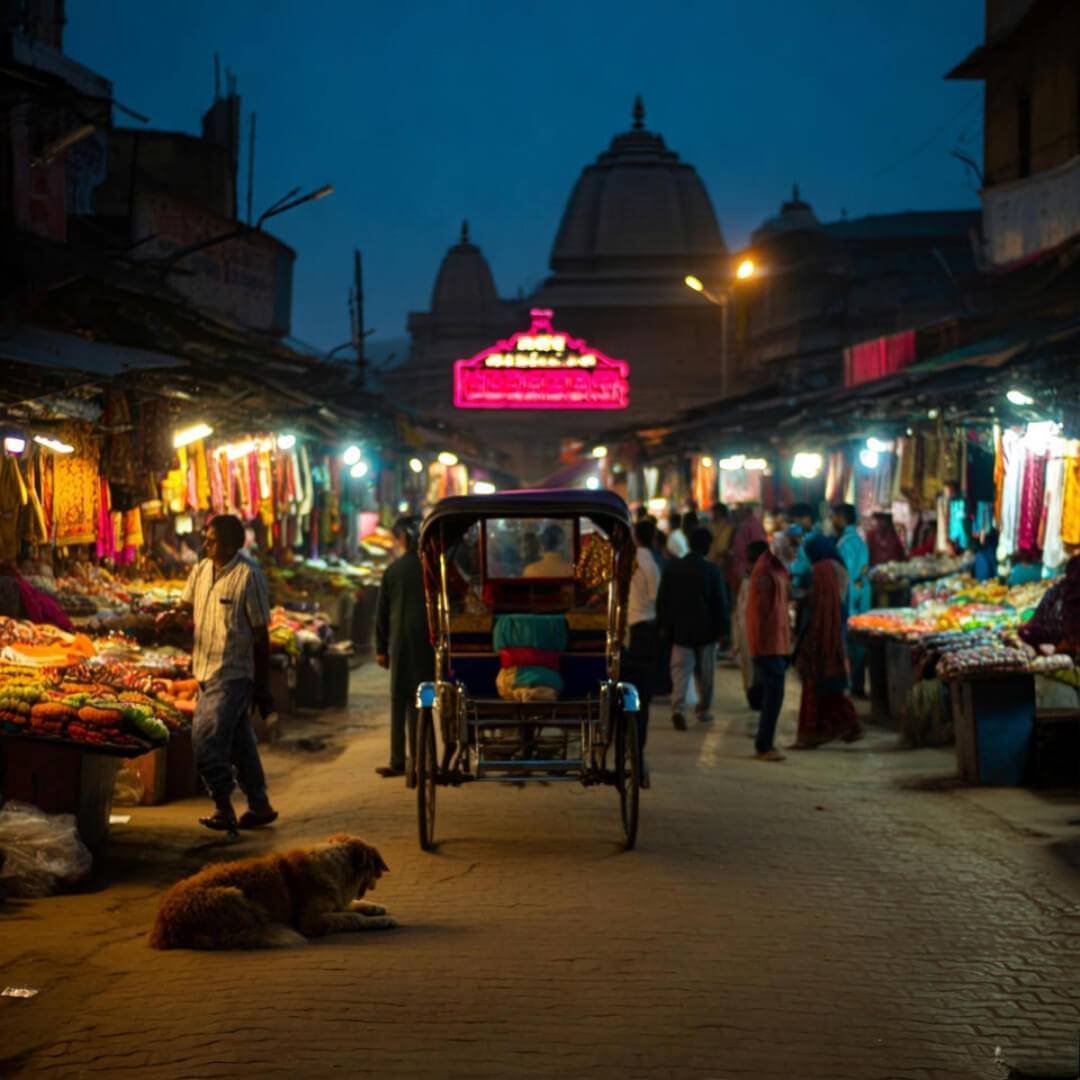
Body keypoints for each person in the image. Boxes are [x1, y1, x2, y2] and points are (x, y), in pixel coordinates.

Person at [171, 514, 277, 832]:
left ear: (231, 544)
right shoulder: (202, 569)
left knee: (205, 738)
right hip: (203, 669)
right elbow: (185, 608)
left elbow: (261, 633)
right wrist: (168, 617)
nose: (205, 544)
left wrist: (261, 686)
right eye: (206, 537)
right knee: (239, 742)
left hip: (232, 673)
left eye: (212, 539)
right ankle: (259, 806)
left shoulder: (248, 575)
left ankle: (222, 805)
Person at [375, 516, 436, 781]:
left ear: (402, 538)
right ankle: (425, 758)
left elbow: (382, 613)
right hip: (429, 644)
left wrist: (381, 647)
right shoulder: (432, 568)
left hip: (400, 644)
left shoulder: (395, 570)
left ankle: (398, 760)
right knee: (424, 699)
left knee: (399, 699)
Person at [789, 535, 864, 749]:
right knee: (828, 684)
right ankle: (846, 726)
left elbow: (819, 602)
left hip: (820, 632)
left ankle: (813, 732)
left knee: (816, 683)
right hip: (834, 628)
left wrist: (800, 597)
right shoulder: (838, 567)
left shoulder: (822, 570)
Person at [656, 527, 727, 729]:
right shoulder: (712, 570)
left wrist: (664, 626)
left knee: (680, 672)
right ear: (706, 547)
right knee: (706, 675)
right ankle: (703, 710)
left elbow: (663, 600)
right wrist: (724, 631)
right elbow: (720, 603)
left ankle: (678, 708)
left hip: (680, 631)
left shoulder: (673, 567)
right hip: (706, 631)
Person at [620, 518, 661, 787]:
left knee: (627, 694)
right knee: (640, 699)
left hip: (626, 634)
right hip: (643, 632)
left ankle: (629, 748)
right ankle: (636, 752)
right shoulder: (649, 563)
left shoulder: (626, 562)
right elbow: (658, 598)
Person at [746, 540, 791, 762]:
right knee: (773, 695)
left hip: (776, 641)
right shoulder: (765, 571)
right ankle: (764, 745)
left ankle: (765, 743)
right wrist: (758, 647)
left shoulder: (773, 567)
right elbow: (760, 614)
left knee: (775, 694)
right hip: (769, 644)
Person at [831, 503, 870, 696]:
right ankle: (858, 684)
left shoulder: (846, 544)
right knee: (859, 644)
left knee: (853, 645)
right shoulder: (859, 541)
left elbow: (845, 576)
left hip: (851, 601)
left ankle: (853, 684)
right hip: (861, 600)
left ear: (841, 517)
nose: (832, 521)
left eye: (834, 517)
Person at [732, 539, 769, 710]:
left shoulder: (764, 581)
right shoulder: (750, 581)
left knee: (757, 673)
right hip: (748, 634)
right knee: (751, 672)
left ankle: (758, 699)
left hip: (758, 636)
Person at [787, 503, 821, 592]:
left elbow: (801, 567)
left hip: (810, 585)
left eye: (796, 521)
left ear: (806, 518)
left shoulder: (809, 540)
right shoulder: (816, 535)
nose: (796, 525)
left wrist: (792, 585)